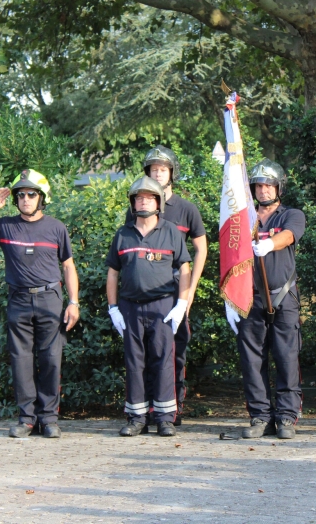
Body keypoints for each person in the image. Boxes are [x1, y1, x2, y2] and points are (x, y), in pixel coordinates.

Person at [0, 169, 80, 439]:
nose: (26, 198)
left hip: (50, 299)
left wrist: (73, 302)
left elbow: (69, 267)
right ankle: (27, 419)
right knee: (21, 361)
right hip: (19, 300)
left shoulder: (56, 227)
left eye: (31, 194)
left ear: (42, 197)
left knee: (51, 360)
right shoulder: (4, 226)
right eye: (21, 194)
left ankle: (49, 419)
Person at [126, 145, 207, 424]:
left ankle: (173, 408)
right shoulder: (139, 204)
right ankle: (148, 408)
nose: (157, 173)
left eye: (162, 168)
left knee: (176, 351)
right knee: (145, 353)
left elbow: (201, 249)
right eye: (153, 169)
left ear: (172, 172)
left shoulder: (186, 209)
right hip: (143, 293)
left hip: (174, 290)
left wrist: (190, 290)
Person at [224, 159, 305, 440]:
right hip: (249, 298)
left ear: (278, 187)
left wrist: (269, 243)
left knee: (286, 357)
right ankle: (260, 416)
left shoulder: (291, 214)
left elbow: (289, 236)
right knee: (252, 360)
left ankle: (286, 417)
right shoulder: (242, 219)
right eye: (258, 185)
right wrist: (229, 297)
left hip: (283, 296)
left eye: (268, 185)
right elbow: (229, 254)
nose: (263, 190)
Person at [107, 176, 192, 437]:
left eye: (149, 197)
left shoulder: (171, 232)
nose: (143, 201)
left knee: (164, 361)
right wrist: (113, 308)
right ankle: (137, 417)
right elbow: (112, 273)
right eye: (138, 197)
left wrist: (181, 304)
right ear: (132, 203)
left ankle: (165, 418)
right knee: (134, 362)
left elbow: (184, 269)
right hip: (130, 307)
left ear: (159, 202)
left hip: (163, 306)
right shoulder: (122, 234)